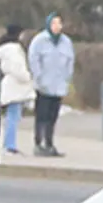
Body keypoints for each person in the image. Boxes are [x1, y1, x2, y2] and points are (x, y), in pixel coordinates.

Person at [27, 14, 77, 157]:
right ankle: (38, 143)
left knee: (52, 117)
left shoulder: (66, 42)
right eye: (54, 23)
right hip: (43, 86)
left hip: (59, 86)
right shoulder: (39, 41)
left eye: (59, 23)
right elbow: (34, 60)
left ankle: (49, 143)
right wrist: (39, 78)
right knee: (41, 116)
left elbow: (70, 62)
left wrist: (67, 79)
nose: (57, 26)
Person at [0, 27, 34, 156]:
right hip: (16, 85)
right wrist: (28, 77)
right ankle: (10, 144)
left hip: (11, 84)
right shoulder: (14, 50)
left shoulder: (5, 49)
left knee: (12, 115)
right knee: (13, 116)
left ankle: (9, 143)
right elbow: (18, 69)